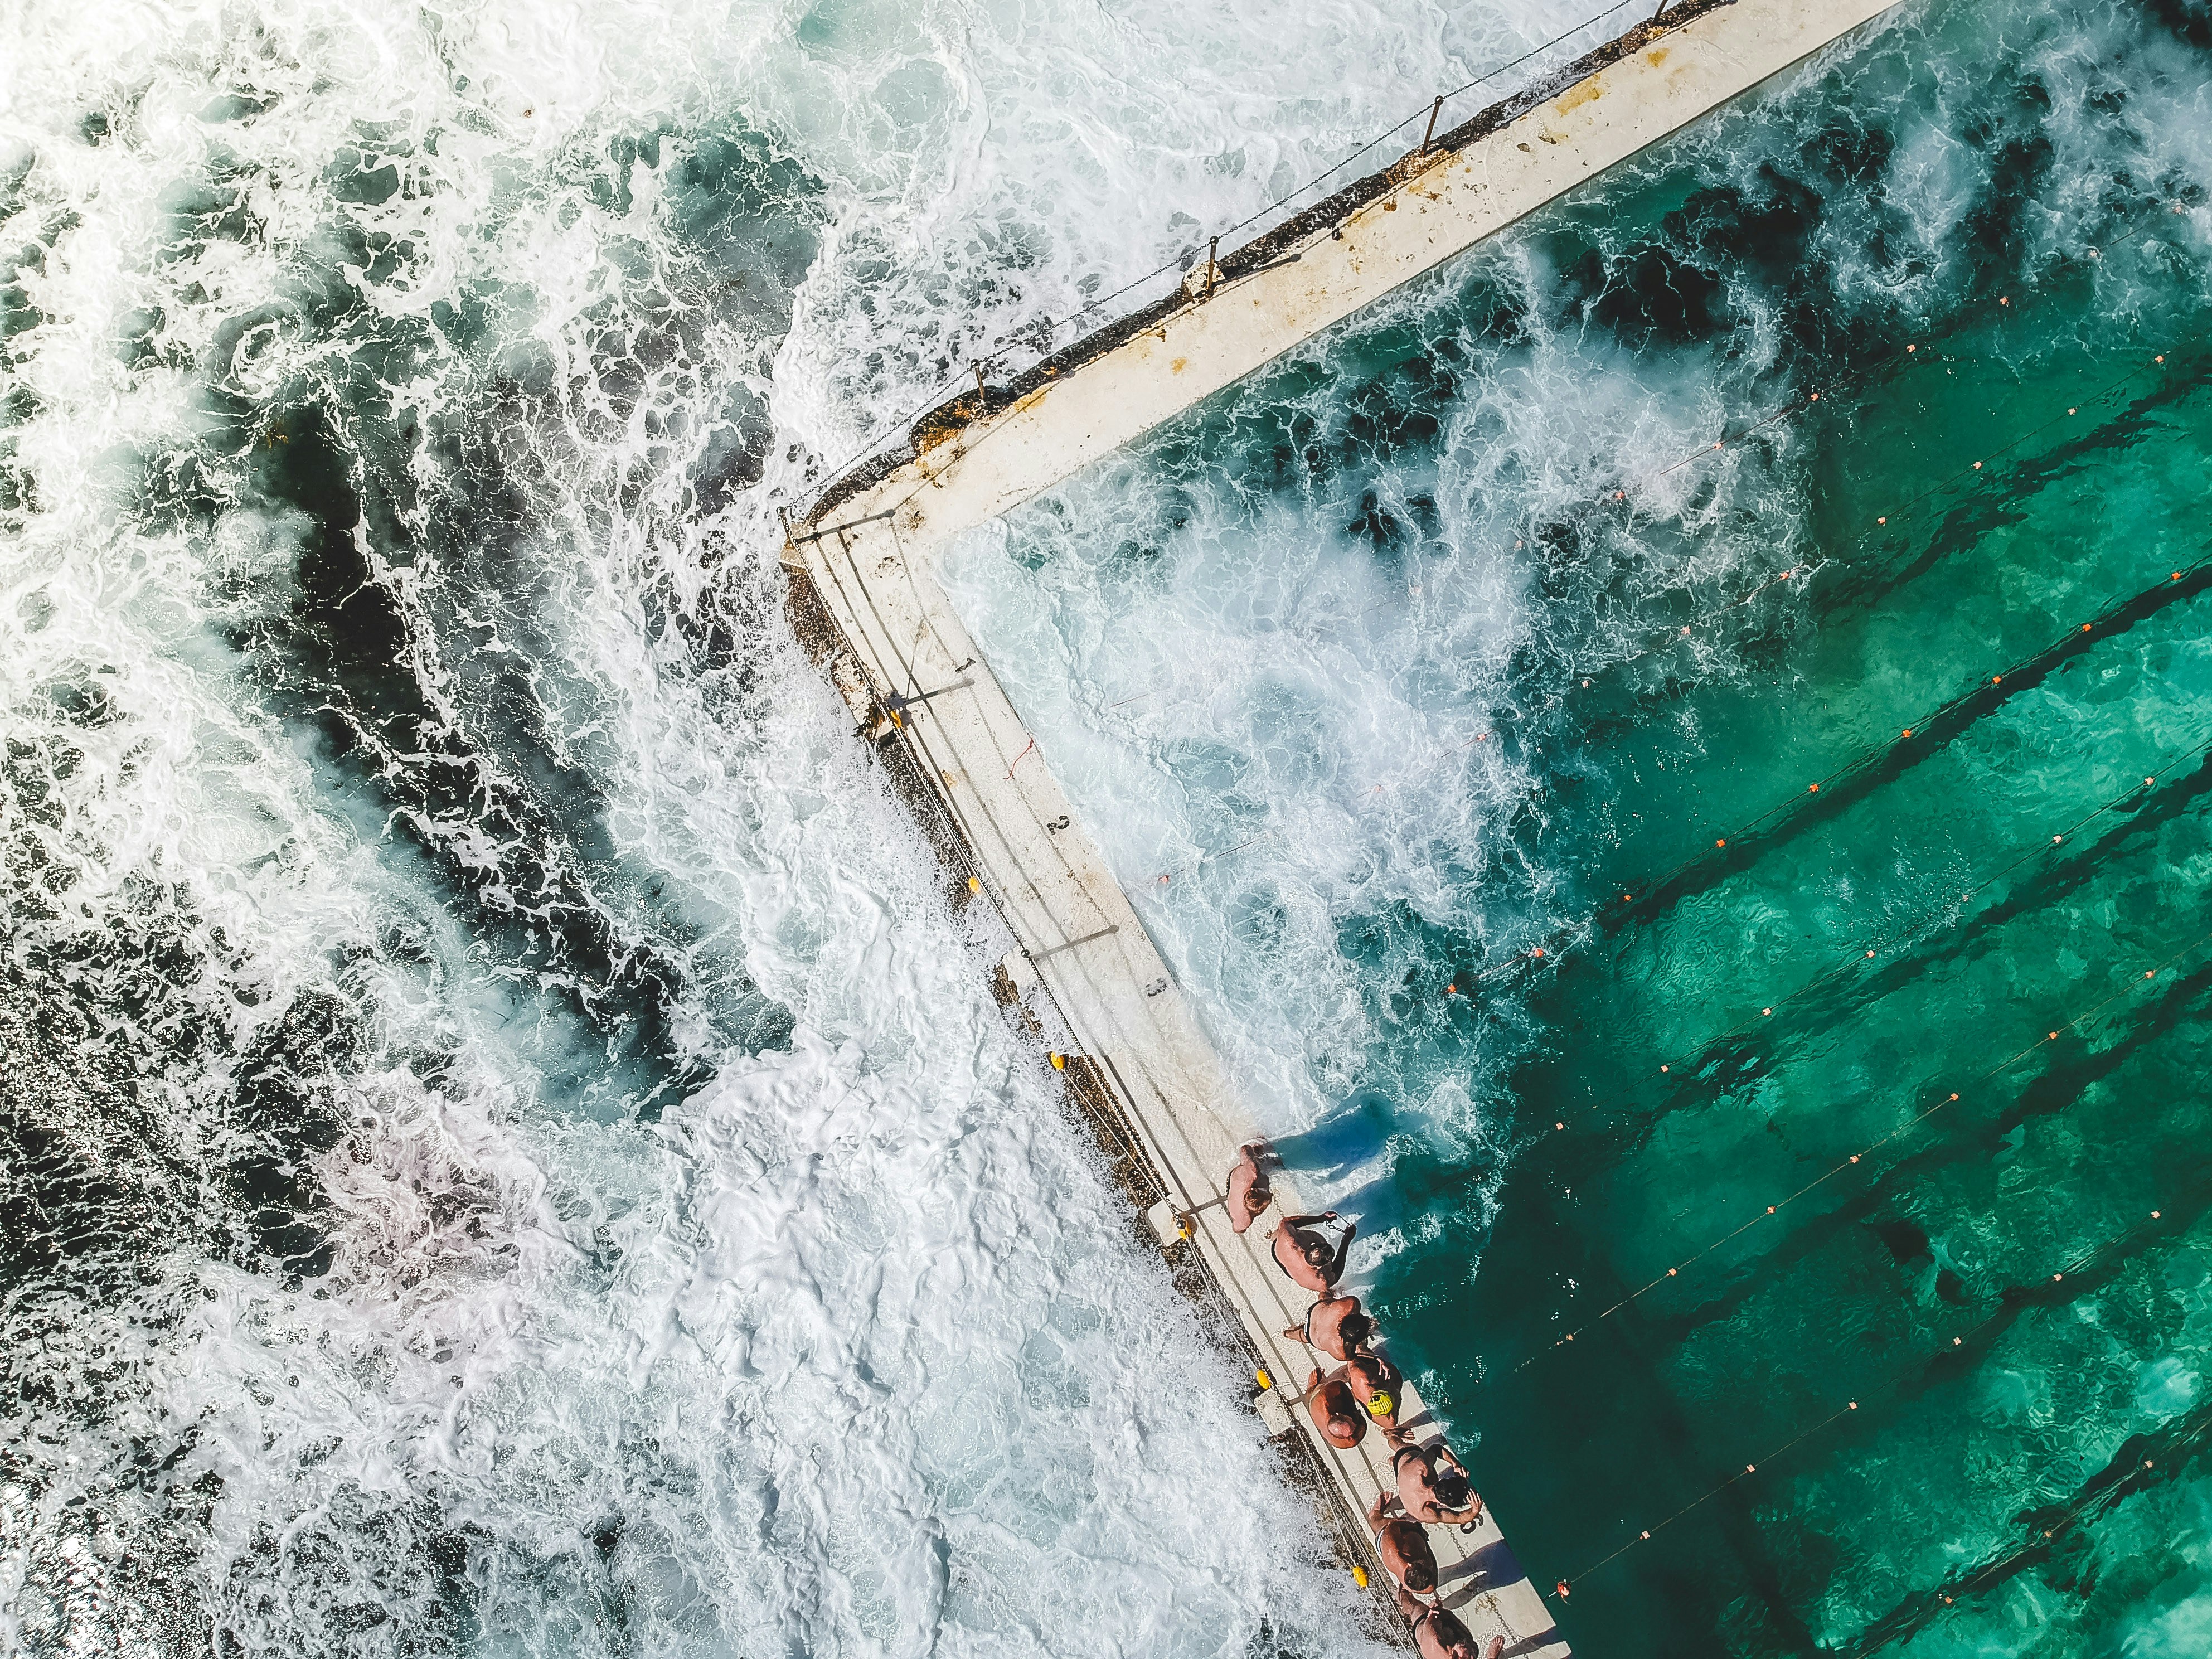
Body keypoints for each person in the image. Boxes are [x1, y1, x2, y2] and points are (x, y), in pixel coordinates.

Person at [1366, 1486, 1439, 1596]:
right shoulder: (1426, 1587)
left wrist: (1416, 1528)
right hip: (1398, 1541)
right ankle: (1376, 1514)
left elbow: (1394, 1524)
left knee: (1377, 1522)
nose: (1430, 1562)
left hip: (1389, 1532)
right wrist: (1419, 1535)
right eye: (1428, 1565)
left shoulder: (1393, 1546)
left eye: (1426, 1564)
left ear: (1410, 1565)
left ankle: (1376, 1513)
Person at [1393, 1589, 1503, 1659]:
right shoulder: (1436, 1639)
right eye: (1473, 1655)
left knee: (1417, 1608)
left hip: (1425, 1626)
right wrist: (1492, 1656)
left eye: (1465, 1645)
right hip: (1427, 1628)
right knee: (1416, 1609)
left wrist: (1435, 1610)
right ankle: (1403, 1596)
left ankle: (1403, 1596)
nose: (1468, 1643)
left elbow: (1436, 1615)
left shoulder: (1437, 1640)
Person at [1392, 1442, 1482, 1528]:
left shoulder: (1421, 1468)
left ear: (1442, 1481)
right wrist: (1474, 1511)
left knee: (1399, 1446)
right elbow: (1459, 1518)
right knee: (1398, 1445)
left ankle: (1391, 1441)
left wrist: (1455, 1464)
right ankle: (1389, 1434)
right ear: (1443, 1503)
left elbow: (1436, 1449)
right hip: (1404, 1456)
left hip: (1404, 1466)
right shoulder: (1424, 1513)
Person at [1270, 1211, 1354, 1293]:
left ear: (1312, 1246)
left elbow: (1286, 1222)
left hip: (1278, 1253)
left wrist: (1321, 1218)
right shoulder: (1321, 1282)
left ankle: (1271, 1236)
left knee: (1279, 1234)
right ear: (1319, 1267)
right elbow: (1337, 1274)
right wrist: (1345, 1242)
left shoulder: (1289, 1240)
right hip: (1294, 1273)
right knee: (1330, 1283)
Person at [1282, 1292, 1373, 1361]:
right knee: (1303, 1336)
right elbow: (1351, 1356)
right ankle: (1288, 1335)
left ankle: (1288, 1333)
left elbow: (1343, 1302)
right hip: (1312, 1337)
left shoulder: (1351, 1304)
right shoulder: (1341, 1352)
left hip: (1315, 1312)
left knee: (1327, 1297)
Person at [1346, 1349, 1407, 1442]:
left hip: (1367, 1372)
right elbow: (1350, 1357)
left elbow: (1350, 1357)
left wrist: (1377, 1359)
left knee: (1359, 1349)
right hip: (1375, 1375)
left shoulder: (1363, 1379)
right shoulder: (1390, 1420)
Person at [1304, 1366, 1367, 1449]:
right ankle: (1314, 1388)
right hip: (1320, 1395)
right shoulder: (1325, 1397)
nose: (1352, 1419)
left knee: (1313, 1397)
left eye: (1351, 1420)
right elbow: (1340, 1384)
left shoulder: (1337, 1435)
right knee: (1348, 1372)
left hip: (1316, 1403)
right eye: (1351, 1420)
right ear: (1339, 1414)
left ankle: (1312, 1389)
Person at [1226, 1141, 1274, 1234]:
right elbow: (1237, 1230)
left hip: (1236, 1182)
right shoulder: (1245, 1220)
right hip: (1234, 1185)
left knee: (1260, 1150)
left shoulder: (1252, 1170)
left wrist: (1252, 1154)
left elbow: (1245, 1148)